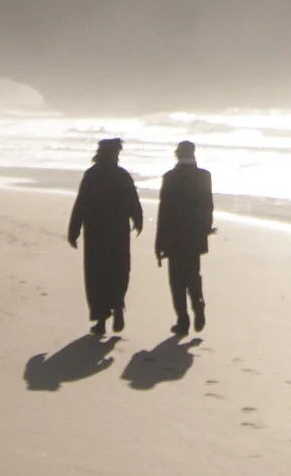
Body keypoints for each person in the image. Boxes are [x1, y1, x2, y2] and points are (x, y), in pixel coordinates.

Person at [66, 136, 142, 334]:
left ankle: (100, 320)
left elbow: (81, 203)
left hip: (95, 233)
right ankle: (117, 306)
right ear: (114, 154)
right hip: (118, 232)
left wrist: (73, 230)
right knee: (119, 270)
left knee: (96, 275)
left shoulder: (91, 175)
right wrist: (138, 220)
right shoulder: (122, 175)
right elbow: (133, 201)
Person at [154, 138, 214, 337]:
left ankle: (182, 320)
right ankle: (198, 304)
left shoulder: (170, 177)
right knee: (193, 274)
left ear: (177, 155)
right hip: (195, 236)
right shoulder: (204, 176)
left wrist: (159, 242)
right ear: (193, 154)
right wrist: (205, 229)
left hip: (174, 236)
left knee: (176, 280)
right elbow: (208, 206)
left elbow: (164, 212)